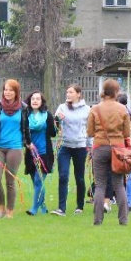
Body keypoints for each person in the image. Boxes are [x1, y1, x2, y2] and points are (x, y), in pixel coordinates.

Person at [87, 79, 131, 225]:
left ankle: (97, 219)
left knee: (100, 185)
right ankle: (123, 220)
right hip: (117, 148)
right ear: (116, 92)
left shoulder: (95, 109)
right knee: (118, 184)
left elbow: (90, 132)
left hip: (99, 147)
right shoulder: (122, 109)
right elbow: (126, 133)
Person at [0, 79, 31, 219]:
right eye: (5, 89)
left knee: (10, 181)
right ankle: (1, 207)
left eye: (11, 90)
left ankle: (10, 210)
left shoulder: (23, 108)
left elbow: (26, 127)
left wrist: (28, 143)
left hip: (15, 147)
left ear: (16, 92)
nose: (7, 92)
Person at [51, 84, 89, 216]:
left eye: (71, 92)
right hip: (65, 146)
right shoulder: (62, 107)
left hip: (80, 146)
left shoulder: (86, 109)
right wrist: (56, 120)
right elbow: (54, 128)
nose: (68, 94)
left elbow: (90, 129)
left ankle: (80, 206)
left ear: (78, 94)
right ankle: (61, 208)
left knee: (79, 178)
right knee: (63, 176)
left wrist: (90, 146)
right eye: (67, 92)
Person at [24, 90, 56, 216]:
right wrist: (27, 143)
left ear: (42, 101)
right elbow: (22, 133)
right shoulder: (25, 115)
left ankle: (33, 208)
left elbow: (53, 133)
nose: (35, 101)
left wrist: (56, 122)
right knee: (36, 182)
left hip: (44, 153)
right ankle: (43, 206)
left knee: (38, 180)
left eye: (38, 99)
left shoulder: (47, 115)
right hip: (30, 153)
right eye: (33, 99)